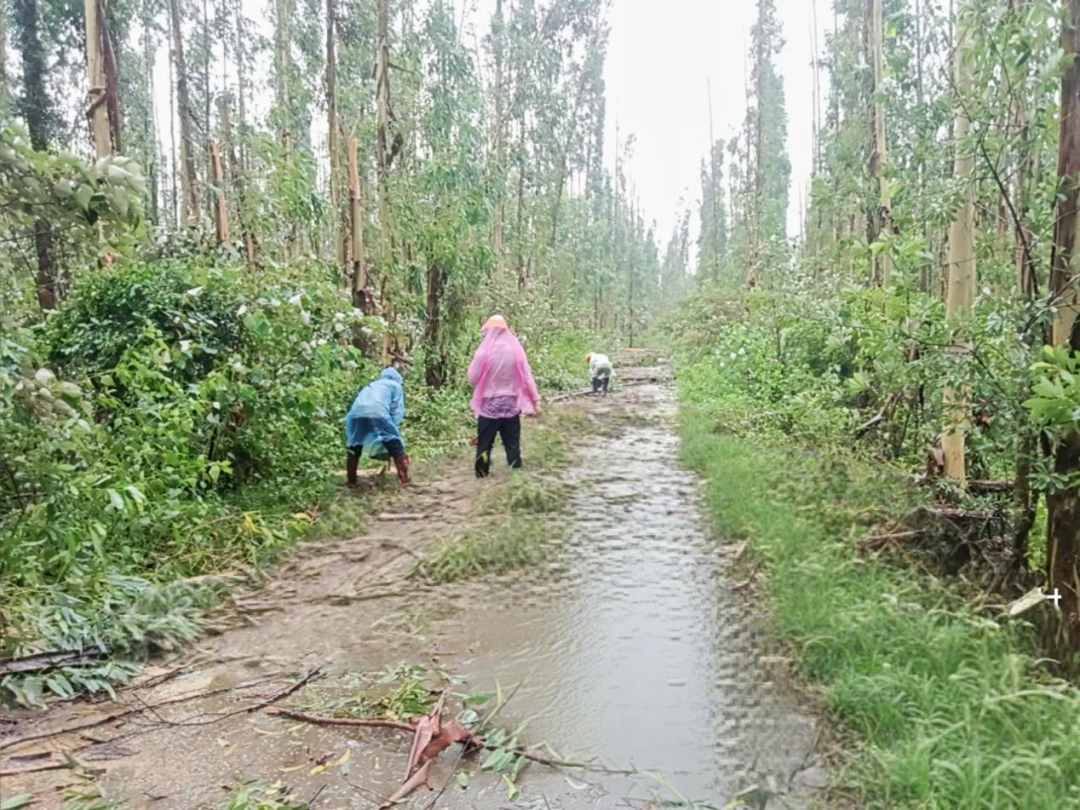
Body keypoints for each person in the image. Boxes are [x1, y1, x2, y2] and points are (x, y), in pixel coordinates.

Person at [467, 314, 541, 478]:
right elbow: (527, 377)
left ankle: (482, 473)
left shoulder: (483, 352)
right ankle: (516, 474)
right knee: (512, 443)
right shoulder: (516, 351)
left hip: (489, 407)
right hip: (511, 405)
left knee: (485, 443)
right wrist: (535, 401)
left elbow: (472, 378)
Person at [345, 366, 410, 486]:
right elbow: (396, 409)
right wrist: (393, 427)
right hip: (378, 412)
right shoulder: (395, 386)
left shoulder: (372, 385)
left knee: (355, 446)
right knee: (395, 446)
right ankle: (404, 480)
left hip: (356, 414)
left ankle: (351, 481)